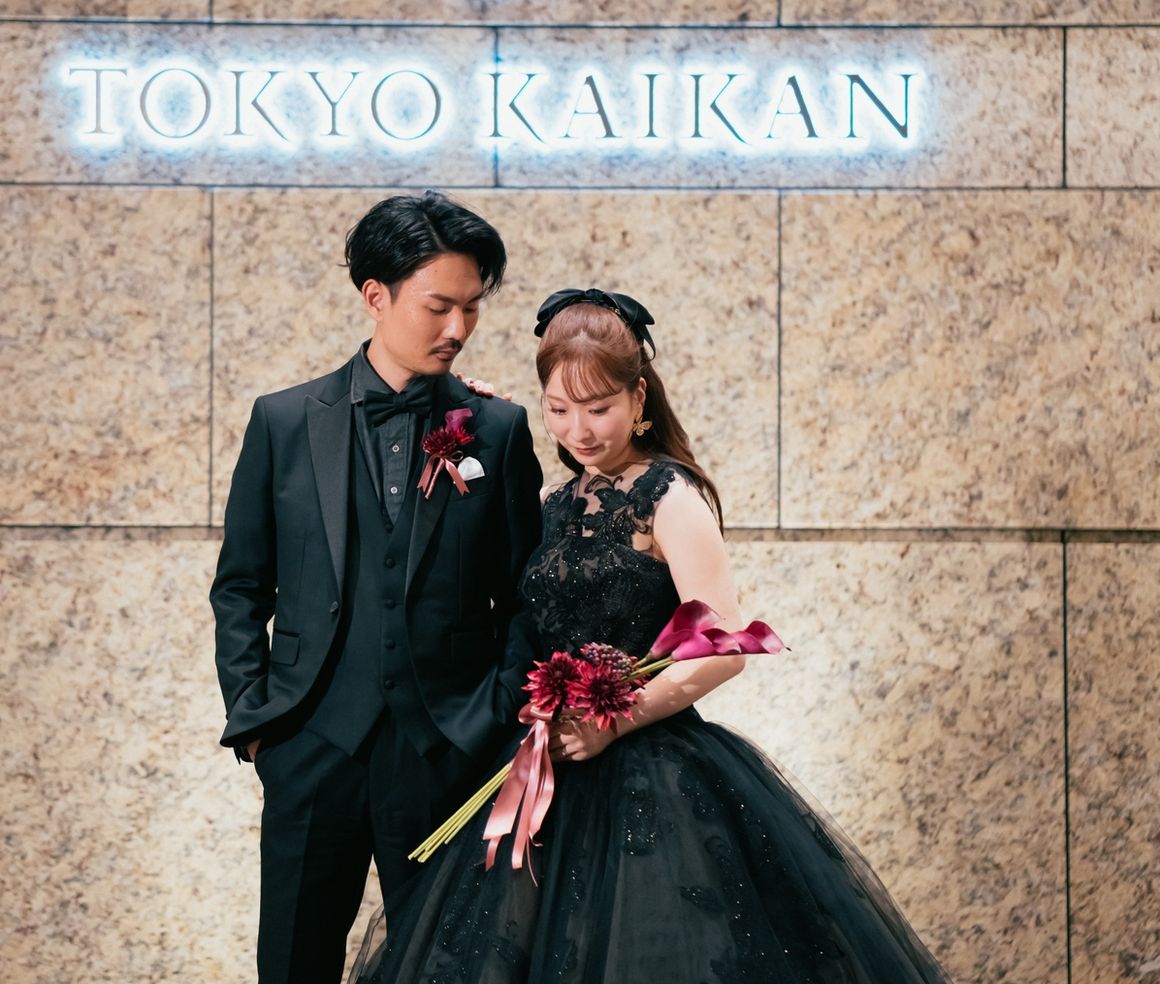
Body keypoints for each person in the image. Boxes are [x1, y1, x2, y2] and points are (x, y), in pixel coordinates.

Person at [351, 287, 950, 984]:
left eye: (598, 408)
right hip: (550, 766)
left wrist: (615, 721)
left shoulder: (669, 495)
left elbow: (725, 645)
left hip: (653, 766)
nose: (579, 430)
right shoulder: (554, 504)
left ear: (639, 398)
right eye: (558, 410)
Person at [209, 191, 543, 984]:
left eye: (471, 307)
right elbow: (241, 587)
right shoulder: (284, 421)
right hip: (309, 743)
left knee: (446, 968)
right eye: (438, 306)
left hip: (446, 749)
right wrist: (259, 723)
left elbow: (528, 595)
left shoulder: (497, 430)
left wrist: (493, 716)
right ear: (375, 296)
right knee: (293, 961)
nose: (457, 328)